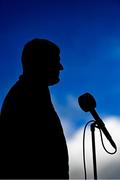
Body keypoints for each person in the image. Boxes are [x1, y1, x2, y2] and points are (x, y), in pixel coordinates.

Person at [0, 38, 69, 179]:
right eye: (56, 61)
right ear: (42, 62)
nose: (60, 67)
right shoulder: (24, 95)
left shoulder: (33, 92)